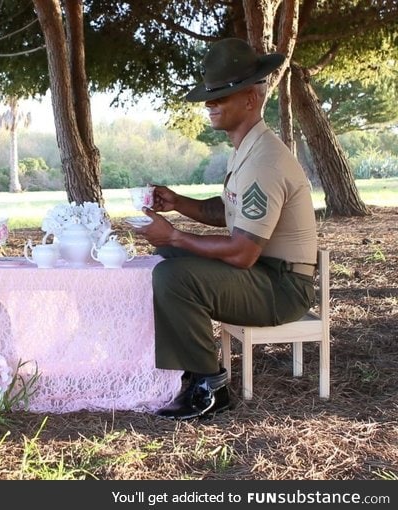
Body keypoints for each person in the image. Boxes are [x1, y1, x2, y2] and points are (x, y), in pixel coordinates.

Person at [135, 38, 318, 420]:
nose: (208, 105)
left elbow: (241, 251)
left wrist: (174, 234)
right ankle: (186, 368)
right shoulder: (248, 149)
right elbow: (229, 213)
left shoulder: (264, 161)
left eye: (221, 96)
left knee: (173, 276)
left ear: (251, 99)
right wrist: (179, 203)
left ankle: (210, 387)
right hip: (263, 272)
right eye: (209, 96)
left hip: (282, 287)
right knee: (165, 259)